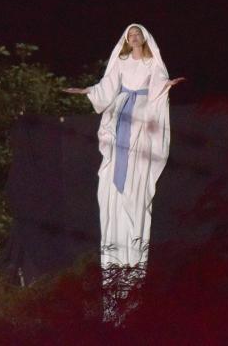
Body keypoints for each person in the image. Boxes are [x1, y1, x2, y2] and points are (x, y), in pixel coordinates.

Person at [64, 23, 184, 273]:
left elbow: (158, 82)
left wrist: (167, 84)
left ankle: (134, 205)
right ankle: (116, 226)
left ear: (144, 37)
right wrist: (87, 90)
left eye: (138, 34)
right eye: (131, 35)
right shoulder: (121, 60)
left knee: (137, 159)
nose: (135, 37)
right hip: (121, 113)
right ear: (127, 40)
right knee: (115, 163)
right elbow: (108, 85)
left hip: (142, 112)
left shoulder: (152, 62)